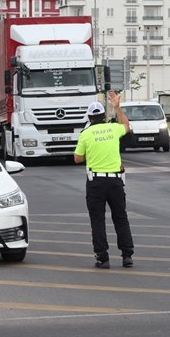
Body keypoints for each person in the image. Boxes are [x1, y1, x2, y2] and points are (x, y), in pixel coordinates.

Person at [74, 91, 135, 269]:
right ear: (104, 115)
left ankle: (102, 257)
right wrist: (117, 107)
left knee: (98, 219)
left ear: (89, 117)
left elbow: (77, 158)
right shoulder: (113, 128)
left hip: (96, 183)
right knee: (121, 217)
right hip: (115, 181)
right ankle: (127, 256)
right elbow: (126, 125)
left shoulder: (86, 134)